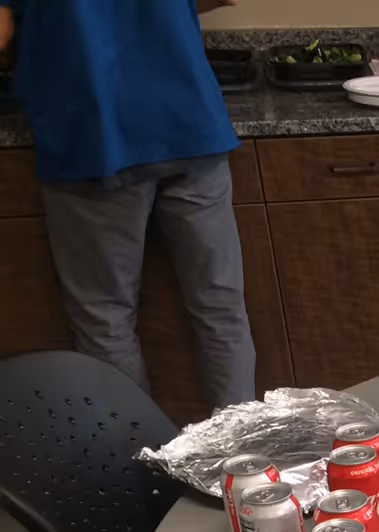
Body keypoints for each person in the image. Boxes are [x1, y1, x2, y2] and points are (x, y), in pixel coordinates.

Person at [0, 0, 256, 409]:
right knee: (221, 310)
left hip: (96, 138)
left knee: (106, 322)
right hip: (189, 125)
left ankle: (133, 464)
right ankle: (242, 462)